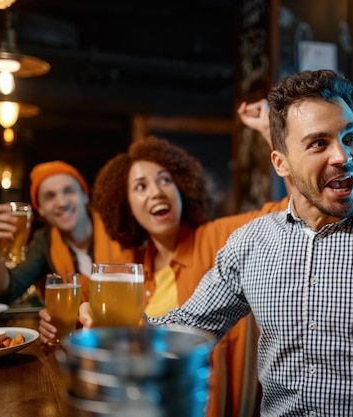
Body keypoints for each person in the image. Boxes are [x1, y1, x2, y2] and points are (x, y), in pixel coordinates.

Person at [79, 70, 353, 415]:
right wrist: (124, 332)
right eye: (318, 143)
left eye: (351, 137)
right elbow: (189, 330)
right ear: (280, 162)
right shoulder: (249, 243)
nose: (342, 155)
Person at [40, 136, 289, 417]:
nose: (157, 191)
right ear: (127, 206)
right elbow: (82, 300)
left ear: (182, 188)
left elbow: (289, 209)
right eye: (141, 186)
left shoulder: (218, 237)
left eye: (165, 180)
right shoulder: (130, 265)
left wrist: (275, 136)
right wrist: (60, 318)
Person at [0, 161, 129, 305]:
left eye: (69, 191)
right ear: (40, 209)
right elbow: (5, 292)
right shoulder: (44, 242)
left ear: (85, 195)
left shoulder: (119, 228)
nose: (62, 203)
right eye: (50, 196)